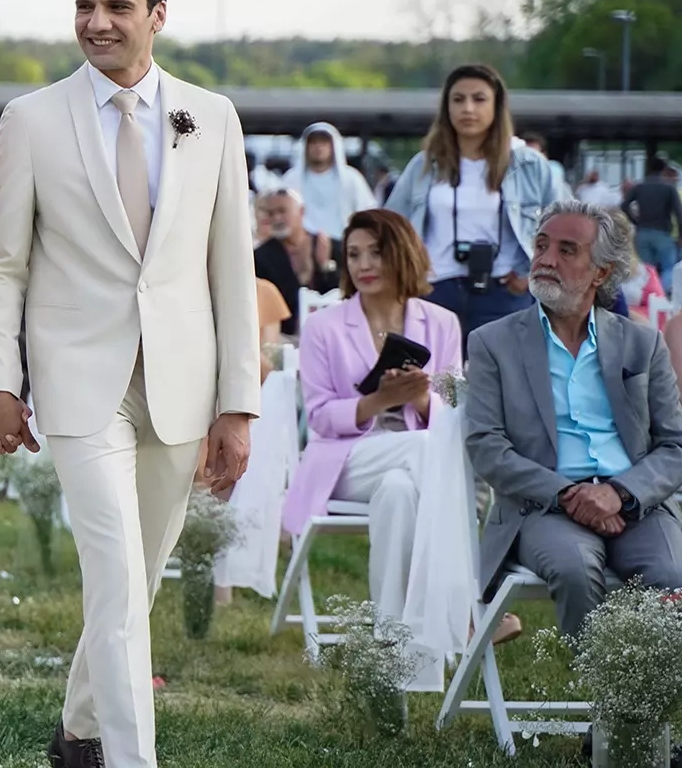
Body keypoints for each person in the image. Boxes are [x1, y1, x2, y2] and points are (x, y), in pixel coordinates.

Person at [0, 0, 261, 768]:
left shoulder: (212, 117)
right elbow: (3, 264)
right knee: (116, 578)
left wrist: (237, 403)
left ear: (157, 15)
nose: (96, 23)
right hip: (76, 381)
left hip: (181, 387)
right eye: (84, 6)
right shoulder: (31, 119)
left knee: (134, 582)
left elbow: (229, 267)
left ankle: (78, 734)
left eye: (117, 7)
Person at [465, 202, 682, 754]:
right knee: (572, 565)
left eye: (567, 250)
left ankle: (637, 713)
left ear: (602, 272)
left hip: (633, 500)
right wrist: (567, 492)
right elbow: (486, 447)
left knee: (672, 572)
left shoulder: (642, 343)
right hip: (542, 506)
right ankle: (610, 714)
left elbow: (675, 445)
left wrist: (619, 493)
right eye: (541, 245)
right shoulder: (493, 341)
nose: (546, 259)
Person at [280, 209, 488, 689]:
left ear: (402, 253)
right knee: (421, 452)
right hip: (344, 461)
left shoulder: (441, 323)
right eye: (353, 254)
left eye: (375, 251)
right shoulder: (324, 326)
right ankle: (469, 605)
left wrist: (417, 397)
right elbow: (318, 418)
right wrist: (378, 401)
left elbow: (453, 408)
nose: (363, 264)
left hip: (411, 464)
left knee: (399, 493)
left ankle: (395, 661)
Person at [385, 64, 565, 357]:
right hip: (435, 290)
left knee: (503, 390)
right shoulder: (424, 164)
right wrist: (410, 273)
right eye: (458, 99)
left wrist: (534, 272)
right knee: (437, 389)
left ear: (497, 106)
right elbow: (390, 225)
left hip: (506, 292)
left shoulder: (529, 164)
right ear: (446, 108)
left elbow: (566, 225)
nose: (467, 108)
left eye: (479, 99)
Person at [254, 187, 342, 337]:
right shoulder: (261, 256)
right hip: (285, 336)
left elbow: (344, 293)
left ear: (301, 211)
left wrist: (325, 266)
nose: (276, 218)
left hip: (332, 332)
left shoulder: (329, 246)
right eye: (271, 213)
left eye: (282, 211)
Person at [277, 121, 377, 238]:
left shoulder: (351, 178)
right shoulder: (292, 178)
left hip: (342, 242)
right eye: (313, 142)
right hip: (302, 245)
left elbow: (367, 210)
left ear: (333, 146)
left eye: (324, 142)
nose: (318, 147)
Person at [621, 154, 682, 296]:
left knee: (647, 269)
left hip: (642, 232)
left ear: (648, 168)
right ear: (663, 169)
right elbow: (679, 213)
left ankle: (649, 297)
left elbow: (624, 205)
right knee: (668, 267)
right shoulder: (669, 188)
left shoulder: (639, 187)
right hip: (663, 233)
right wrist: (681, 234)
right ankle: (665, 296)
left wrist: (635, 221)